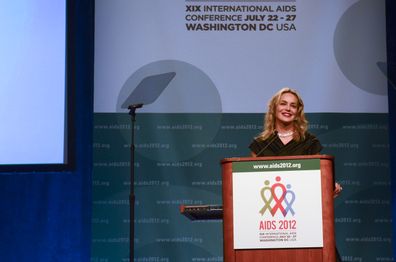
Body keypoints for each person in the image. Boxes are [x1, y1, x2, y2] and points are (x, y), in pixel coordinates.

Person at [249, 87, 343, 261]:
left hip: (305, 216)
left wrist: (330, 189)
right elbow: (253, 184)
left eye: (293, 106)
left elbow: (319, 178)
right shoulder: (260, 145)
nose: (288, 108)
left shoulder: (310, 142)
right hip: (271, 221)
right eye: (283, 103)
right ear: (274, 108)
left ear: (298, 111)